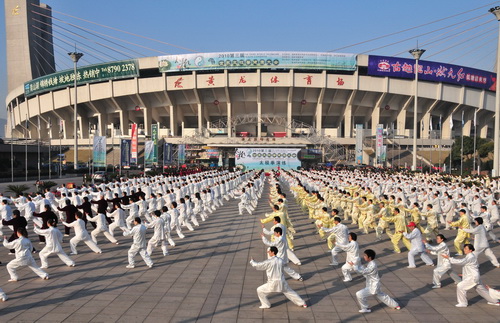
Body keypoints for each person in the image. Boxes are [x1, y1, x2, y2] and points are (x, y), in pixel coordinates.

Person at [349, 249, 400, 313]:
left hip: (373, 286)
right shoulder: (371, 263)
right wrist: (355, 265)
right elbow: (365, 270)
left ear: (369, 257)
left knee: (359, 294)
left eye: (365, 255)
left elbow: (364, 271)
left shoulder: (372, 265)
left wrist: (354, 266)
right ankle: (395, 305)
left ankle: (366, 308)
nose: (364, 256)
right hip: (373, 284)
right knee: (382, 296)